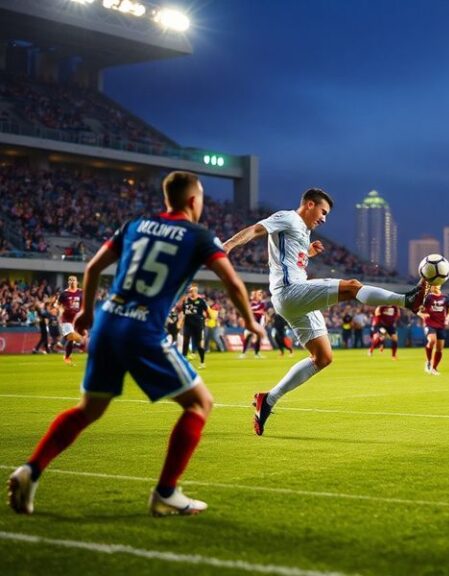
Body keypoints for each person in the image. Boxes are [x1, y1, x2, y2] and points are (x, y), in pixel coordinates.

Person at [7, 171, 260, 517]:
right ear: (192, 201)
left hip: (108, 321)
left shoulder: (135, 225)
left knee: (88, 410)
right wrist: (248, 321)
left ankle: (31, 470)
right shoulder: (199, 235)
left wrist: (86, 312)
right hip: (143, 328)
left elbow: (94, 268)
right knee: (200, 403)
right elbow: (231, 282)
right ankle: (166, 493)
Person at [223, 188, 427, 436]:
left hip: (296, 299)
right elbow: (256, 229)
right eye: (323, 212)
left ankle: (267, 400)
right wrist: (228, 245)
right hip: (289, 292)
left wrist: (308, 253)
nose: (324, 218)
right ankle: (408, 300)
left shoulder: (302, 231)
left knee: (323, 358)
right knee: (352, 287)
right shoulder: (288, 217)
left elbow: (287, 257)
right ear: (309, 204)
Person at [418, 284, 449, 375]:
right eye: (432, 285)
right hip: (429, 323)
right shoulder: (428, 297)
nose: (434, 287)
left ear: (439, 285)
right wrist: (422, 314)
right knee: (432, 340)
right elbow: (418, 310)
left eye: (436, 285)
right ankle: (428, 361)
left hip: (441, 324)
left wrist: (448, 317)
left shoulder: (445, 297)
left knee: (439, 348)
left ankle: (434, 368)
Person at [58, 275, 84, 365]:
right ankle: (63, 344)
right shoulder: (64, 293)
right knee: (73, 337)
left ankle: (67, 356)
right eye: (70, 280)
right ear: (68, 282)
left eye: (74, 280)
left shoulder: (81, 292)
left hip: (76, 319)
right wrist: (61, 310)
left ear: (77, 282)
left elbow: (83, 305)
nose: (72, 282)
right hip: (66, 319)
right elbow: (58, 304)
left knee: (72, 339)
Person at [181, 283, 208, 368]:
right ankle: (183, 360)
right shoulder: (185, 300)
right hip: (188, 324)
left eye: (194, 291)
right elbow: (184, 312)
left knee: (199, 344)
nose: (192, 292)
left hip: (198, 325)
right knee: (185, 341)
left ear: (196, 291)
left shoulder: (201, 301)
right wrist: (180, 323)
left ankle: (202, 362)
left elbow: (207, 311)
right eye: (190, 291)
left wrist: (207, 318)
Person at [241, 289, 268, 359]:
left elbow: (258, 309)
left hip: (259, 323)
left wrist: (252, 310)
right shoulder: (250, 303)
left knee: (258, 338)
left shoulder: (262, 303)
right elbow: (249, 309)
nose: (259, 296)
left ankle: (257, 353)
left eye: (260, 295)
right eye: (257, 294)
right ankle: (244, 353)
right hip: (251, 323)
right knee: (247, 337)